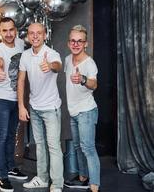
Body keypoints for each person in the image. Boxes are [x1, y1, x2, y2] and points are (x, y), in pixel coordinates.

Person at [17, 23, 64, 192]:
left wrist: (50, 66)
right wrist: (21, 106)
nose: (35, 36)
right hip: (34, 107)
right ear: (28, 36)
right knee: (40, 144)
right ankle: (43, 178)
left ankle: (57, 184)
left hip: (51, 108)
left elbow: (58, 65)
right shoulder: (25, 56)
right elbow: (21, 80)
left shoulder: (51, 54)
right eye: (32, 33)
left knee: (54, 146)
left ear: (45, 35)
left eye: (39, 33)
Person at [0, 17, 28, 192]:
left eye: (11, 29)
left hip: (16, 98)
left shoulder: (21, 44)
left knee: (12, 135)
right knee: (2, 135)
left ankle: (11, 167)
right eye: (4, 30)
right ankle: (2, 175)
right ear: (0, 32)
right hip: (1, 98)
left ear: (16, 29)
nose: (8, 33)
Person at [64, 25, 100, 192]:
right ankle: (83, 178)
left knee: (88, 148)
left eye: (80, 41)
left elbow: (94, 84)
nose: (76, 44)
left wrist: (83, 79)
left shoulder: (89, 63)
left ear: (85, 44)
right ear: (68, 43)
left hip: (86, 111)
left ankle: (95, 187)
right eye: (73, 40)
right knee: (78, 147)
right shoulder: (66, 60)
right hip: (74, 111)